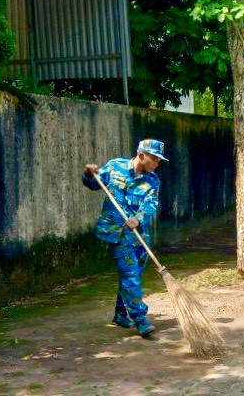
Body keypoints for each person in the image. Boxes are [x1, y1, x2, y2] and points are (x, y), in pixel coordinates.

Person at [82, 139, 167, 338]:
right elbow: (95, 183)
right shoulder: (115, 166)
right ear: (142, 155)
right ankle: (140, 318)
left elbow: (151, 204)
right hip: (117, 232)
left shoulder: (153, 180)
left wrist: (138, 219)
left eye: (159, 160)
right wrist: (88, 174)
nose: (157, 163)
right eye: (155, 159)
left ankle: (121, 314)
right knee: (130, 274)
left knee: (133, 275)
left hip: (139, 235)